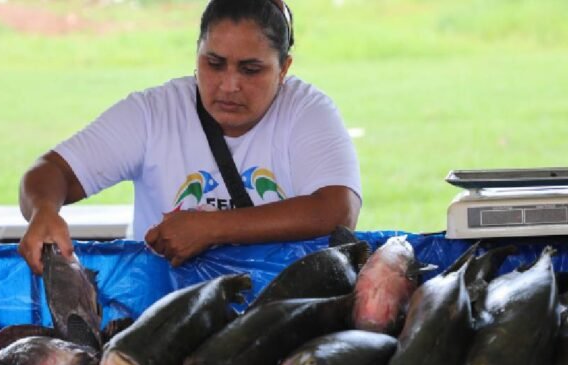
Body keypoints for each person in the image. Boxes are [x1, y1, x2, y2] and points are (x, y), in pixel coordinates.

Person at [18, 0, 361, 274]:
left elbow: (337, 209)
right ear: (196, 55)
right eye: (214, 63)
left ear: (284, 68)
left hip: (281, 310)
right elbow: (51, 171)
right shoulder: (154, 112)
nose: (229, 85)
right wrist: (44, 211)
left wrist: (212, 228)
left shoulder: (307, 111)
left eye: (250, 69)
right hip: (166, 307)